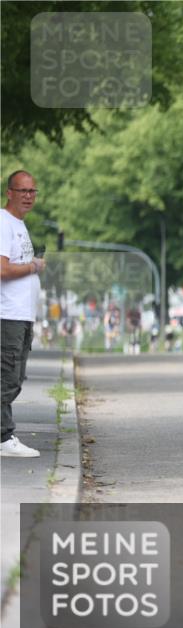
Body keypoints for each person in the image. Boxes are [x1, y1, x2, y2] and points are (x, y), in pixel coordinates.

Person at [1, 170, 44, 457]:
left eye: (32, 191)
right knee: (6, 378)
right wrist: (33, 266)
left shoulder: (19, 225)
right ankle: (3, 438)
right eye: (23, 191)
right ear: (9, 193)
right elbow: (2, 269)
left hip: (22, 315)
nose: (28, 196)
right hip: (8, 315)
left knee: (14, 379)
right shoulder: (3, 223)